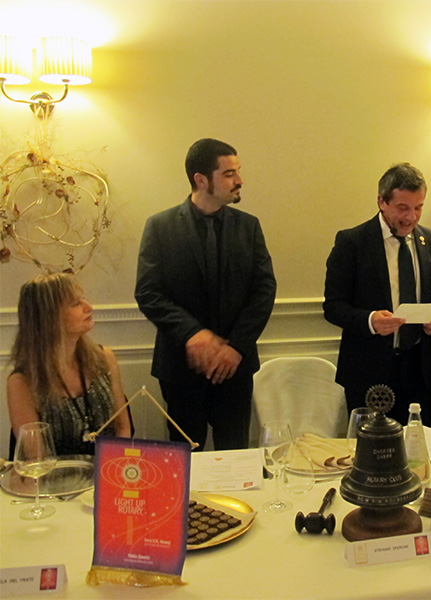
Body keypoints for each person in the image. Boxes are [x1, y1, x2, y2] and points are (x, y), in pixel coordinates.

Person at [135, 138, 276, 450]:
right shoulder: (160, 226)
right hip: (181, 369)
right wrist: (192, 334)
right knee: (185, 458)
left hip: (235, 368)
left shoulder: (249, 227)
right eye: (229, 173)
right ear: (201, 179)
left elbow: (264, 290)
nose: (239, 180)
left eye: (237, 171)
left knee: (236, 456)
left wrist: (236, 347)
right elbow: (148, 292)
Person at [323, 163, 431, 425]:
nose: (411, 217)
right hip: (367, 370)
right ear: (381, 201)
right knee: (370, 446)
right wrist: (370, 321)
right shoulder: (352, 242)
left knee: (417, 445)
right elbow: (333, 306)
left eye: (418, 207)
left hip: (417, 369)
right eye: (403, 207)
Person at [7, 274, 131, 456]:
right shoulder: (22, 382)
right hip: (56, 473)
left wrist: (112, 466)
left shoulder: (105, 358)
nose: (89, 307)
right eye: (75, 303)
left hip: (108, 467)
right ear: (49, 317)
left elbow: (123, 427)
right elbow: (37, 459)